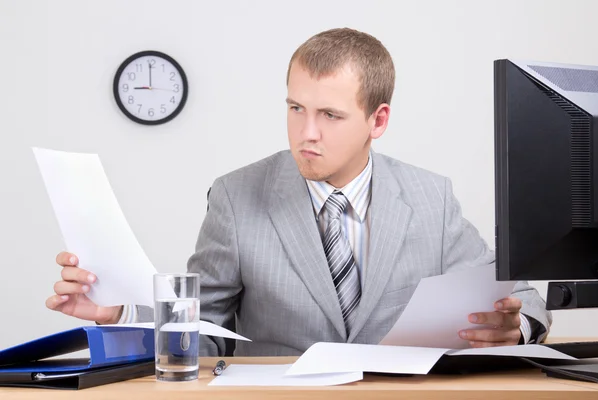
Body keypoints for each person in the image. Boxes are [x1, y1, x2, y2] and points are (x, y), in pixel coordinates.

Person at [48, 28, 552, 356]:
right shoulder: (236, 196)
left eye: (330, 115)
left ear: (378, 121)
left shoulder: (431, 198)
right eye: (295, 108)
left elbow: (523, 297)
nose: (305, 133)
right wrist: (118, 312)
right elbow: (202, 334)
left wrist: (517, 327)